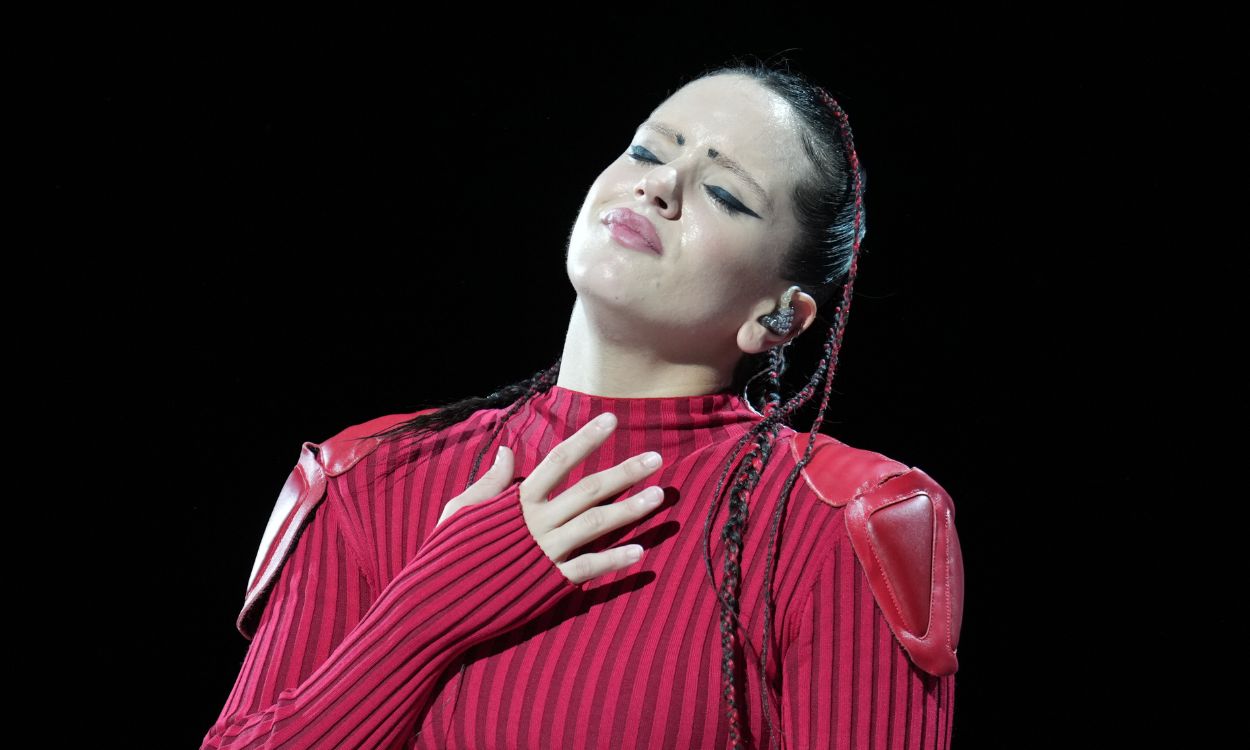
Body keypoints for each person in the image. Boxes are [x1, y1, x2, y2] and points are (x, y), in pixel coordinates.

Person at [201, 57, 965, 750]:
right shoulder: (367, 475)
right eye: (648, 150)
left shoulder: (839, 519)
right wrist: (426, 613)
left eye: (725, 193)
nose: (659, 185)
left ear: (777, 315)